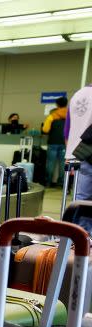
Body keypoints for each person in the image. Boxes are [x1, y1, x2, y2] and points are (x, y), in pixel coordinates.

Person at [67, 84, 92, 232]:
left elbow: (68, 129)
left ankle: (79, 238)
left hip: (82, 153)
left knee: (80, 199)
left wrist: (70, 156)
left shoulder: (77, 95)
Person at [42, 96, 69, 187]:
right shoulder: (70, 115)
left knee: (50, 162)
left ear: (57, 104)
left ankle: (48, 182)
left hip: (53, 142)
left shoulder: (52, 115)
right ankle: (61, 183)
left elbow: (45, 129)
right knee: (62, 163)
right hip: (65, 142)